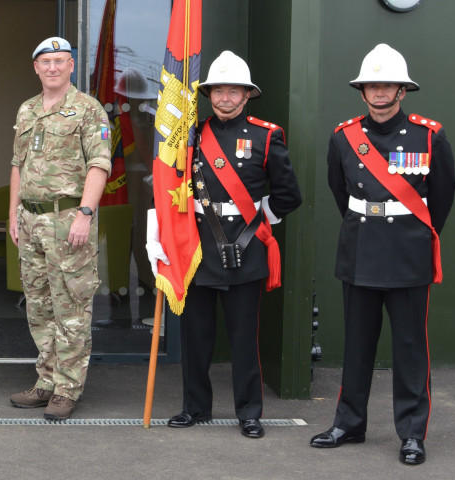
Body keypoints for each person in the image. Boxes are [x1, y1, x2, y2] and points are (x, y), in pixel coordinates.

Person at [310, 44, 455, 466]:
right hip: (359, 254)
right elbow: (342, 194)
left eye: (386, 85)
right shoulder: (343, 136)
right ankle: (349, 423)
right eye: (371, 85)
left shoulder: (430, 135)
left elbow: (442, 197)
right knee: (357, 346)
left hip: (409, 258)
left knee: (411, 350)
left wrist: (414, 236)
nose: (378, 92)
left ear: (402, 91)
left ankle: (412, 434)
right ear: (362, 91)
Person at [147, 51, 301, 438]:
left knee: (243, 339)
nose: (226, 98)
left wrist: (257, 223)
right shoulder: (190, 135)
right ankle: (195, 408)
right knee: (195, 338)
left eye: (235, 91)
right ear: (209, 95)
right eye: (219, 91)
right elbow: (171, 188)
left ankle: (249, 412)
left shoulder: (267, 135)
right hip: (197, 248)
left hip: (245, 249)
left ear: (247, 96)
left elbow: (288, 194)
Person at [7, 37, 110, 420]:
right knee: (40, 306)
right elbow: (17, 163)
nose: (52, 67)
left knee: (71, 306)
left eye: (60, 61)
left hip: (68, 221)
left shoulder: (88, 110)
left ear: (71, 66)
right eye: (45, 62)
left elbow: (100, 164)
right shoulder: (28, 109)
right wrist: (14, 213)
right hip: (31, 221)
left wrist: (85, 213)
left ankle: (68, 388)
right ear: (36, 67)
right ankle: (46, 381)